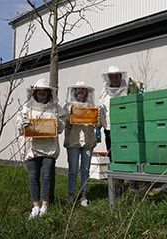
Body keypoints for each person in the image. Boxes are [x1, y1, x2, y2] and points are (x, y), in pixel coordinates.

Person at [16, 78, 66, 219]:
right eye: (39, 91)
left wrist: (58, 123)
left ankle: (45, 205)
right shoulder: (27, 107)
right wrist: (22, 123)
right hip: (32, 147)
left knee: (47, 176)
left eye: (44, 91)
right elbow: (19, 124)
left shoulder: (56, 107)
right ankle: (35, 206)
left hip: (49, 148)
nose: (42, 94)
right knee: (33, 177)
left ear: (49, 93)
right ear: (35, 92)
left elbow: (62, 124)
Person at [63, 81, 98, 207]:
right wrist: (70, 117)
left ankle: (83, 196)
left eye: (83, 90)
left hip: (88, 141)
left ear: (86, 92)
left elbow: (97, 123)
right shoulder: (68, 106)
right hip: (73, 141)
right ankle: (71, 195)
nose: (80, 92)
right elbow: (62, 123)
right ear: (75, 91)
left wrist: (96, 118)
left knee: (85, 170)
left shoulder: (91, 105)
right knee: (72, 170)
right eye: (78, 90)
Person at [97, 66, 128, 157]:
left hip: (124, 126)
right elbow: (100, 109)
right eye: (111, 77)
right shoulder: (104, 92)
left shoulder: (127, 90)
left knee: (125, 151)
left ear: (120, 76)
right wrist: (98, 127)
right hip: (108, 127)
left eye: (116, 76)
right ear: (108, 78)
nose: (114, 79)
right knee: (111, 153)